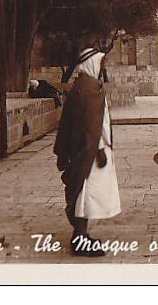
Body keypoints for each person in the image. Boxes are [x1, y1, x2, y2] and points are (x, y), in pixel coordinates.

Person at [53, 48, 121, 257]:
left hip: (87, 150)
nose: (103, 67)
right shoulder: (89, 87)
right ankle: (80, 238)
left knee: (86, 195)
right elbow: (89, 125)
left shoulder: (83, 85)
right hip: (90, 152)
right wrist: (99, 148)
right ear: (92, 63)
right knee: (86, 196)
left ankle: (81, 235)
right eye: (100, 63)